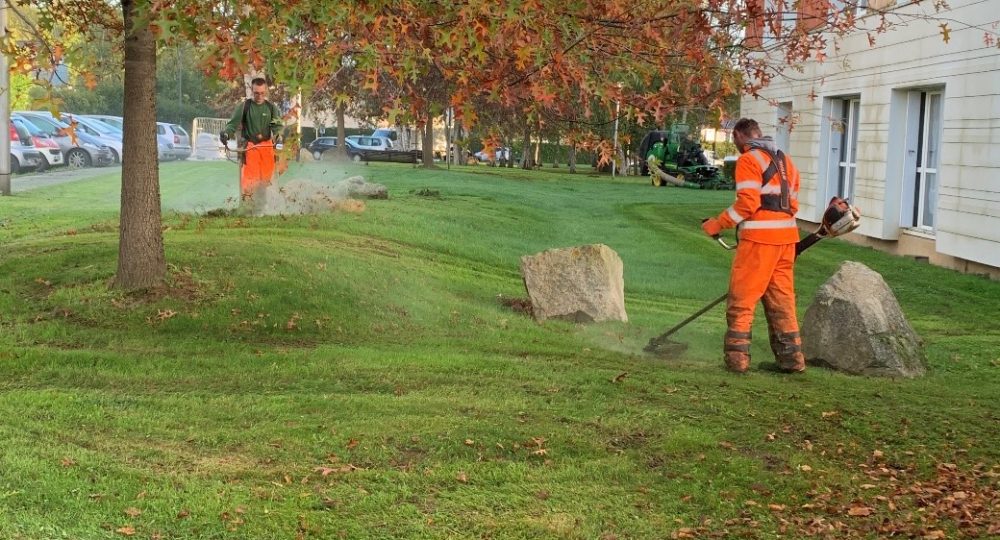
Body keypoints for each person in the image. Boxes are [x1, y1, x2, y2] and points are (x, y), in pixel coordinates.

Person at [700, 118, 805, 374]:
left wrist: (716, 224)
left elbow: (747, 204)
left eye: (733, 139)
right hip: (787, 241)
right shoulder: (786, 162)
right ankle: (792, 360)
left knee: (742, 299)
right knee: (782, 301)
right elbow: (793, 205)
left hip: (760, 242)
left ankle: (737, 361)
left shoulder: (748, 160)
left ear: (738, 135)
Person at [220, 77, 283, 200]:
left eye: (262, 93)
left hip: (267, 147)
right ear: (251, 90)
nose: (259, 96)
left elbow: (277, 128)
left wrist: (279, 137)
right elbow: (232, 124)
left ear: (265, 92)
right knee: (250, 179)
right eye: (256, 93)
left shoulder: (271, 108)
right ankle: (248, 205)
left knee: (265, 180)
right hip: (251, 146)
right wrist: (226, 134)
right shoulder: (244, 107)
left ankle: (262, 203)